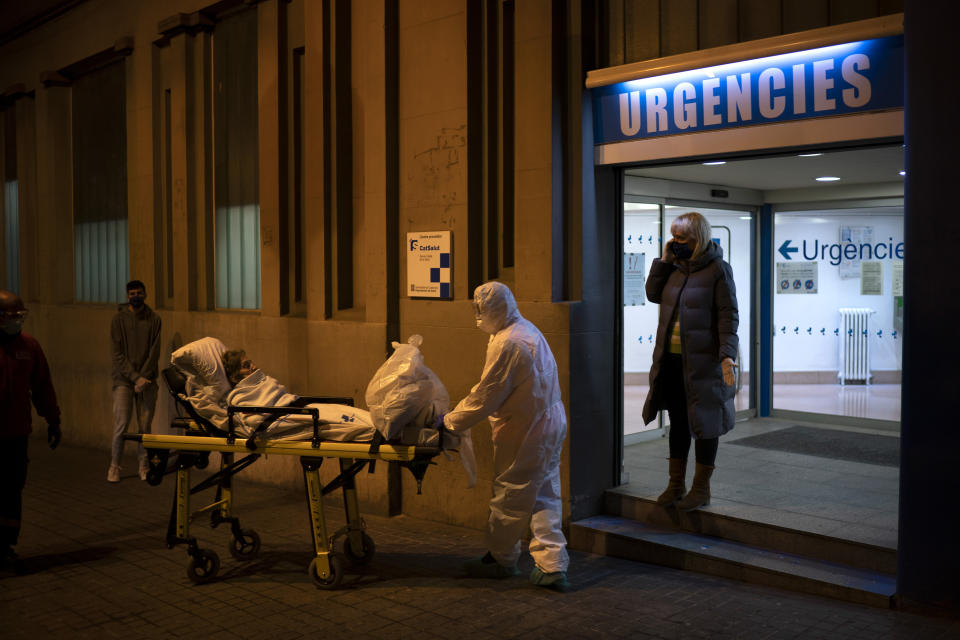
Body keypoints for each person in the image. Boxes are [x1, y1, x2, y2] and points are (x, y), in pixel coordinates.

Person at [442, 281, 569, 591]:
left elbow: (487, 395)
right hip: (549, 422)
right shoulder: (525, 329)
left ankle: (500, 560)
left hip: (526, 431)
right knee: (544, 493)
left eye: (480, 311)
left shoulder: (508, 343)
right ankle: (552, 565)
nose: (478, 317)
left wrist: (449, 422)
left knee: (510, 496)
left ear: (495, 310)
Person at [642, 212, 739, 512]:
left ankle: (700, 489)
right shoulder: (673, 268)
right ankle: (675, 486)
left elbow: (728, 315)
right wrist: (663, 260)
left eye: (682, 238)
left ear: (698, 237)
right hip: (670, 362)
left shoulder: (717, 270)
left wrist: (727, 356)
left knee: (706, 424)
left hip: (703, 364)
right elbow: (652, 293)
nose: (675, 242)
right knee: (679, 423)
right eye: (673, 236)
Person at [0, 290, 61, 573]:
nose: (17, 321)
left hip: (15, 433)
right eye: (11, 316)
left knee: (12, 489)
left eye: (20, 316)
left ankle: (6, 546)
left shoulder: (29, 347)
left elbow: (42, 386)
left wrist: (53, 419)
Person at [108, 280, 162, 483]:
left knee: (145, 427)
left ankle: (144, 466)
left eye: (139, 292)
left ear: (145, 294)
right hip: (123, 380)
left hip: (148, 380)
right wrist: (134, 377)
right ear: (127, 296)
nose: (136, 296)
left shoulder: (154, 319)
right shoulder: (118, 320)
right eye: (132, 293)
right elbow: (117, 354)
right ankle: (114, 466)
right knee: (121, 424)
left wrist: (144, 377)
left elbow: (155, 351)